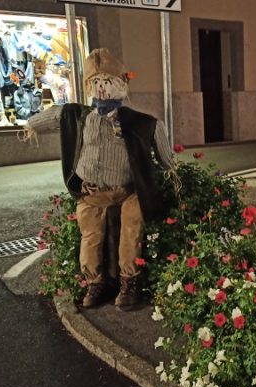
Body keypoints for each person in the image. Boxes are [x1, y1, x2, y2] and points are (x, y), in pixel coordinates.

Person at [25, 48, 176, 310]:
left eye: (108, 81)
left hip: (128, 190)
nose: (102, 87)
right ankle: (95, 283)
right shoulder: (79, 117)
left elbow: (163, 151)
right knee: (90, 237)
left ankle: (129, 282)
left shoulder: (141, 122)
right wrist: (30, 125)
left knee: (132, 229)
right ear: (88, 86)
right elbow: (51, 116)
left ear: (122, 83)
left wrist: (171, 170)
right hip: (92, 193)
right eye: (96, 82)